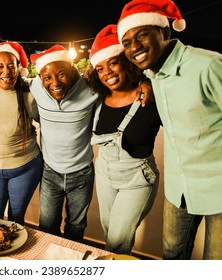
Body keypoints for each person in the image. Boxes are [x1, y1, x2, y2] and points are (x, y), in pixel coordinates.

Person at [117, 0, 222, 260]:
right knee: (172, 256)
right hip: (179, 188)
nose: (135, 47)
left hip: (218, 186)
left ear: (164, 32)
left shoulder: (207, 65)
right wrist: (144, 80)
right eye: (127, 42)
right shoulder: (153, 74)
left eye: (142, 35)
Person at [27, 45, 153, 242]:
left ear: (73, 71)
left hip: (82, 173)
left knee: (76, 226)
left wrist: (146, 80)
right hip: (50, 172)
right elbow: (13, 80)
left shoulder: (92, 89)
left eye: (61, 74)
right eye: (47, 78)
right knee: (47, 224)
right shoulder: (36, 87)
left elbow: (127, 74)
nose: (54, 82)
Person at [88, 24, 162, 254]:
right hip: (104, 174)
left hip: (136, 179)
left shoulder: (151, 98)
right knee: (109, 232)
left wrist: (149, 80)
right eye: (100, 68)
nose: (107, 72)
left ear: (126, 61)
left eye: (112, 63)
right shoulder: (96, 99)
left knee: (118, 241)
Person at [0, 41, 43, 225]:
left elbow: (50, 122)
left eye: (11, 66)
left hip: (25, 167)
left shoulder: (28, 96)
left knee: (16, 220)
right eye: (0, 66)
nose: (6, 72)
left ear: (18, 69)